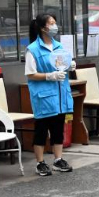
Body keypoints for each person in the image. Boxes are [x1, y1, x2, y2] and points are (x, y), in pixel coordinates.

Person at [25, 13, 74, 176]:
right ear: (42, 28)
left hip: (60, 95)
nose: (54, 26)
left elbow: (60, 64)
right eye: (51, 23)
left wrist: (69, 65)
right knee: (41, 129)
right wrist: (49, 76)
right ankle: (40, 163)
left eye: (55, 22)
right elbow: (30, 74)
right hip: (44, 97)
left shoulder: (59, 46)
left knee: (58, 128)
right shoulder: (33, 49)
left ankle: (58, 160)